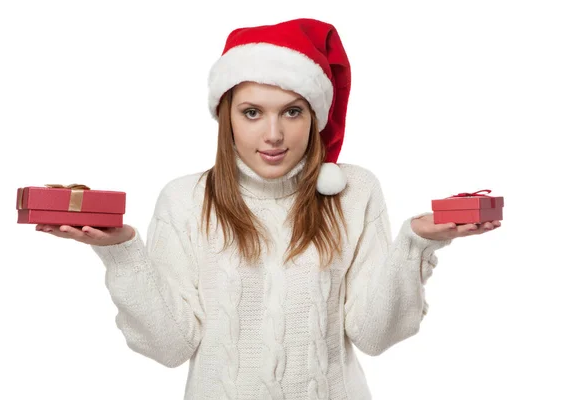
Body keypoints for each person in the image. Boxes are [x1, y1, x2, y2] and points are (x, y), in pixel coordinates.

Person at [36, 18, 500, 400]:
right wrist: (121, 252)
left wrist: (414, 244)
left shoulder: (354, 191)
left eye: (292, 112)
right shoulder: (184, 199)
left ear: (315, 115)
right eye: (252, 112)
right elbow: (170, 347)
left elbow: (375, 335)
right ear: (226, 117)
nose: (273, 135)